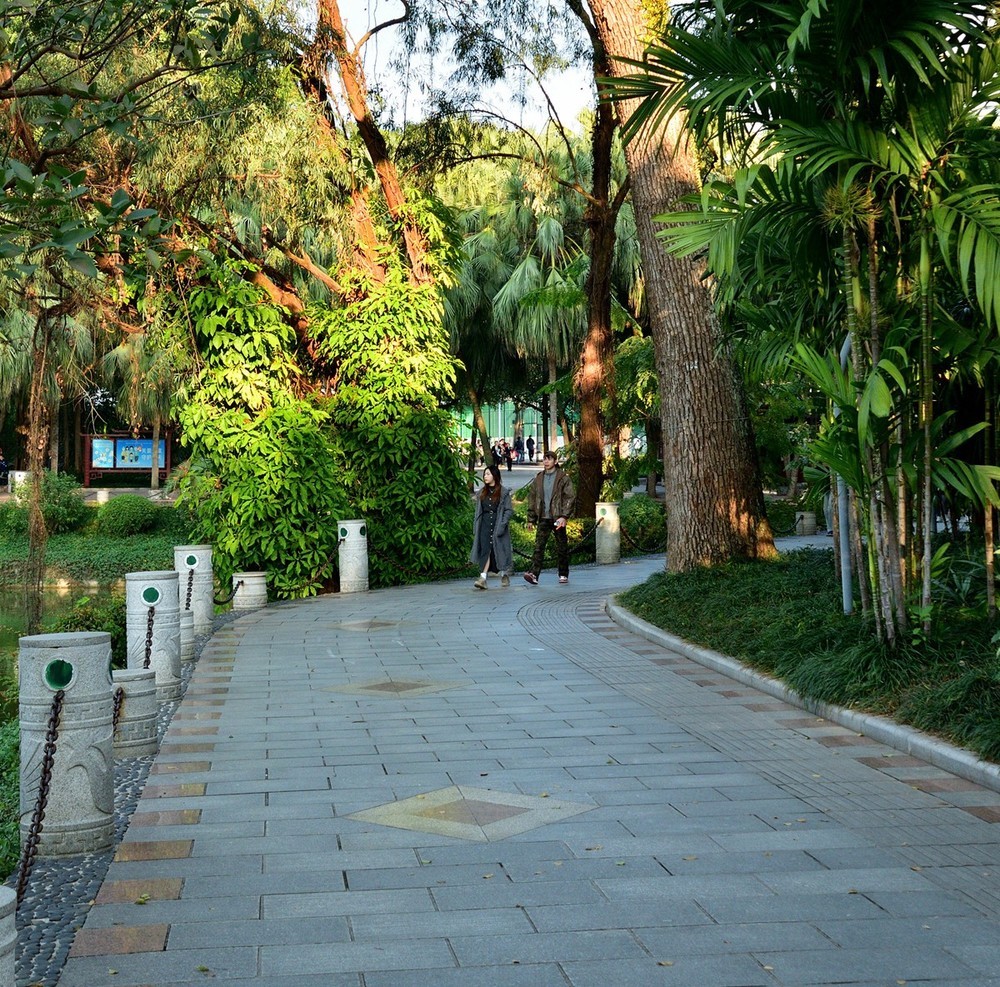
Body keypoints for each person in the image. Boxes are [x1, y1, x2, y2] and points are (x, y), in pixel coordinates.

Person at [523, 449, 576, 585]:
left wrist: (564, 516)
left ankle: (563, 573)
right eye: (544, 459)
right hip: (543, 517)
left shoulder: (563, 478)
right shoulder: (539, 478)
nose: (546, 461)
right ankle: (534, 574)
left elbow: (570, 497)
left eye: (549, 459)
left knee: (561, 547)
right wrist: (531, 519)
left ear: (555, 461)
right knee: (538, 547)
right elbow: (532, 498)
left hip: (558, 517)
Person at [469, 464, 514, 590]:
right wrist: (476, 526)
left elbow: (508, 510)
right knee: (486, 550)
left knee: (499, 550)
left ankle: (504, 574)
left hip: (498, 524)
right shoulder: (482, 492)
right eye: (484, 474)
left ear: (495, 475)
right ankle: (482, 578)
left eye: (488, 474)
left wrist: (502, 524)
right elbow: (478, 511)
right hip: (484, 525)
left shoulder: (503, 492)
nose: (485, 476)